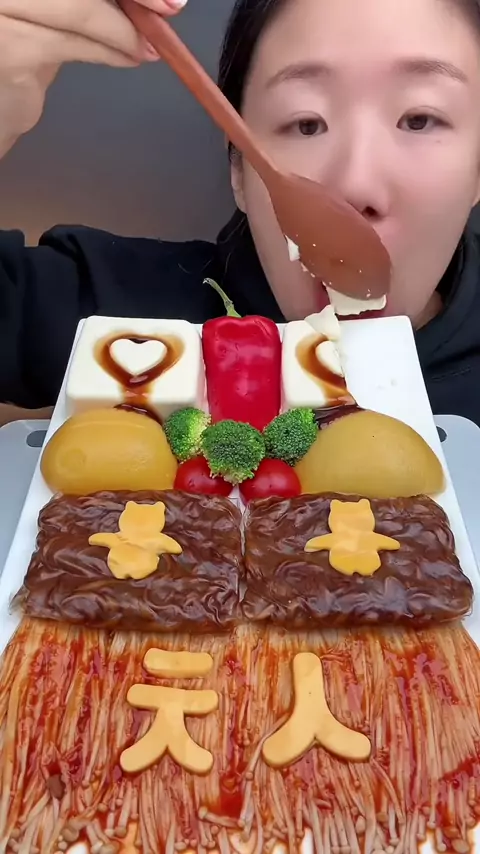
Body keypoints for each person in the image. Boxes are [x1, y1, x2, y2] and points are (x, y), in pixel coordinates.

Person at [1, 0, 480, 426]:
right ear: (239, 173)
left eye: (419, 119)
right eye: (307, 124)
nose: (357, 185)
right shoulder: (122, 326)